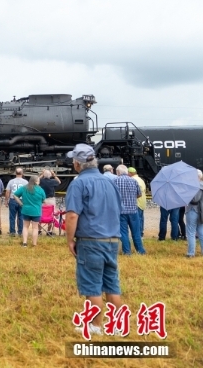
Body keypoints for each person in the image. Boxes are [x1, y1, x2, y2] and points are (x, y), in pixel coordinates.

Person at [64, 144, 124, 336]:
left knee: (92, 286)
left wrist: (69, 240)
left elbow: (72, 215)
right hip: (112, 240)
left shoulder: (78, 183)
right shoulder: (110, 182)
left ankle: (95, 326)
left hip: (91, 241)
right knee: (112, 285)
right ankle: (117, 326)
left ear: (77, 164)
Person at [114, 165, 145, 255]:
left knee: (123, 232)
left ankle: (127, 251)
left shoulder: (114, 181)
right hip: (133, 210)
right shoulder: (133, 181)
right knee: (136, 231)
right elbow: (139, 194)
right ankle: (140, 250)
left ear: (118, 172)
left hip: (121, 211)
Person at [13, 175, 46, 247]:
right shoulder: (40, 189)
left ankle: (24, 243)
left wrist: (21, 203)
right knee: (35, 228)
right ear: (36, 181)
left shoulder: (24, 188)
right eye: (38, 180)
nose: (39, 182)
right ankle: (34, 244)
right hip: (36, 211)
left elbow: (15, 195)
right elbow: (44, 200)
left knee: (25, 227)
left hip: (26, 210)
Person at [185, 169, 203, 258]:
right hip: (201, 212)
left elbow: (195, 199)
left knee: (191, 232)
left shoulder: (197, 186)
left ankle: (191, 253)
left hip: (193, 210)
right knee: (201, 231)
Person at [5, 168, 28, 237]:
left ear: (15, 173)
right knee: (21, 217)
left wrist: (6, 200)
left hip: (13, 200)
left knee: (12, 217)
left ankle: (12, 232)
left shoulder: (11, 181)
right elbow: (27, 192)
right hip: (21, 200)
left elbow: (8, 191)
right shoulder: (25, 182)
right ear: (22, 173)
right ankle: (20, 232)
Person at [128, 168, 147, 237]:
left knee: (137, 219)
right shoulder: (141, 179)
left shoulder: (134, 180)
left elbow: (136, 193)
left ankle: (138, 234)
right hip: (142, 202)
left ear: (130, 173)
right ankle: (141, 233)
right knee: (141, 218)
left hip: (137, 202)